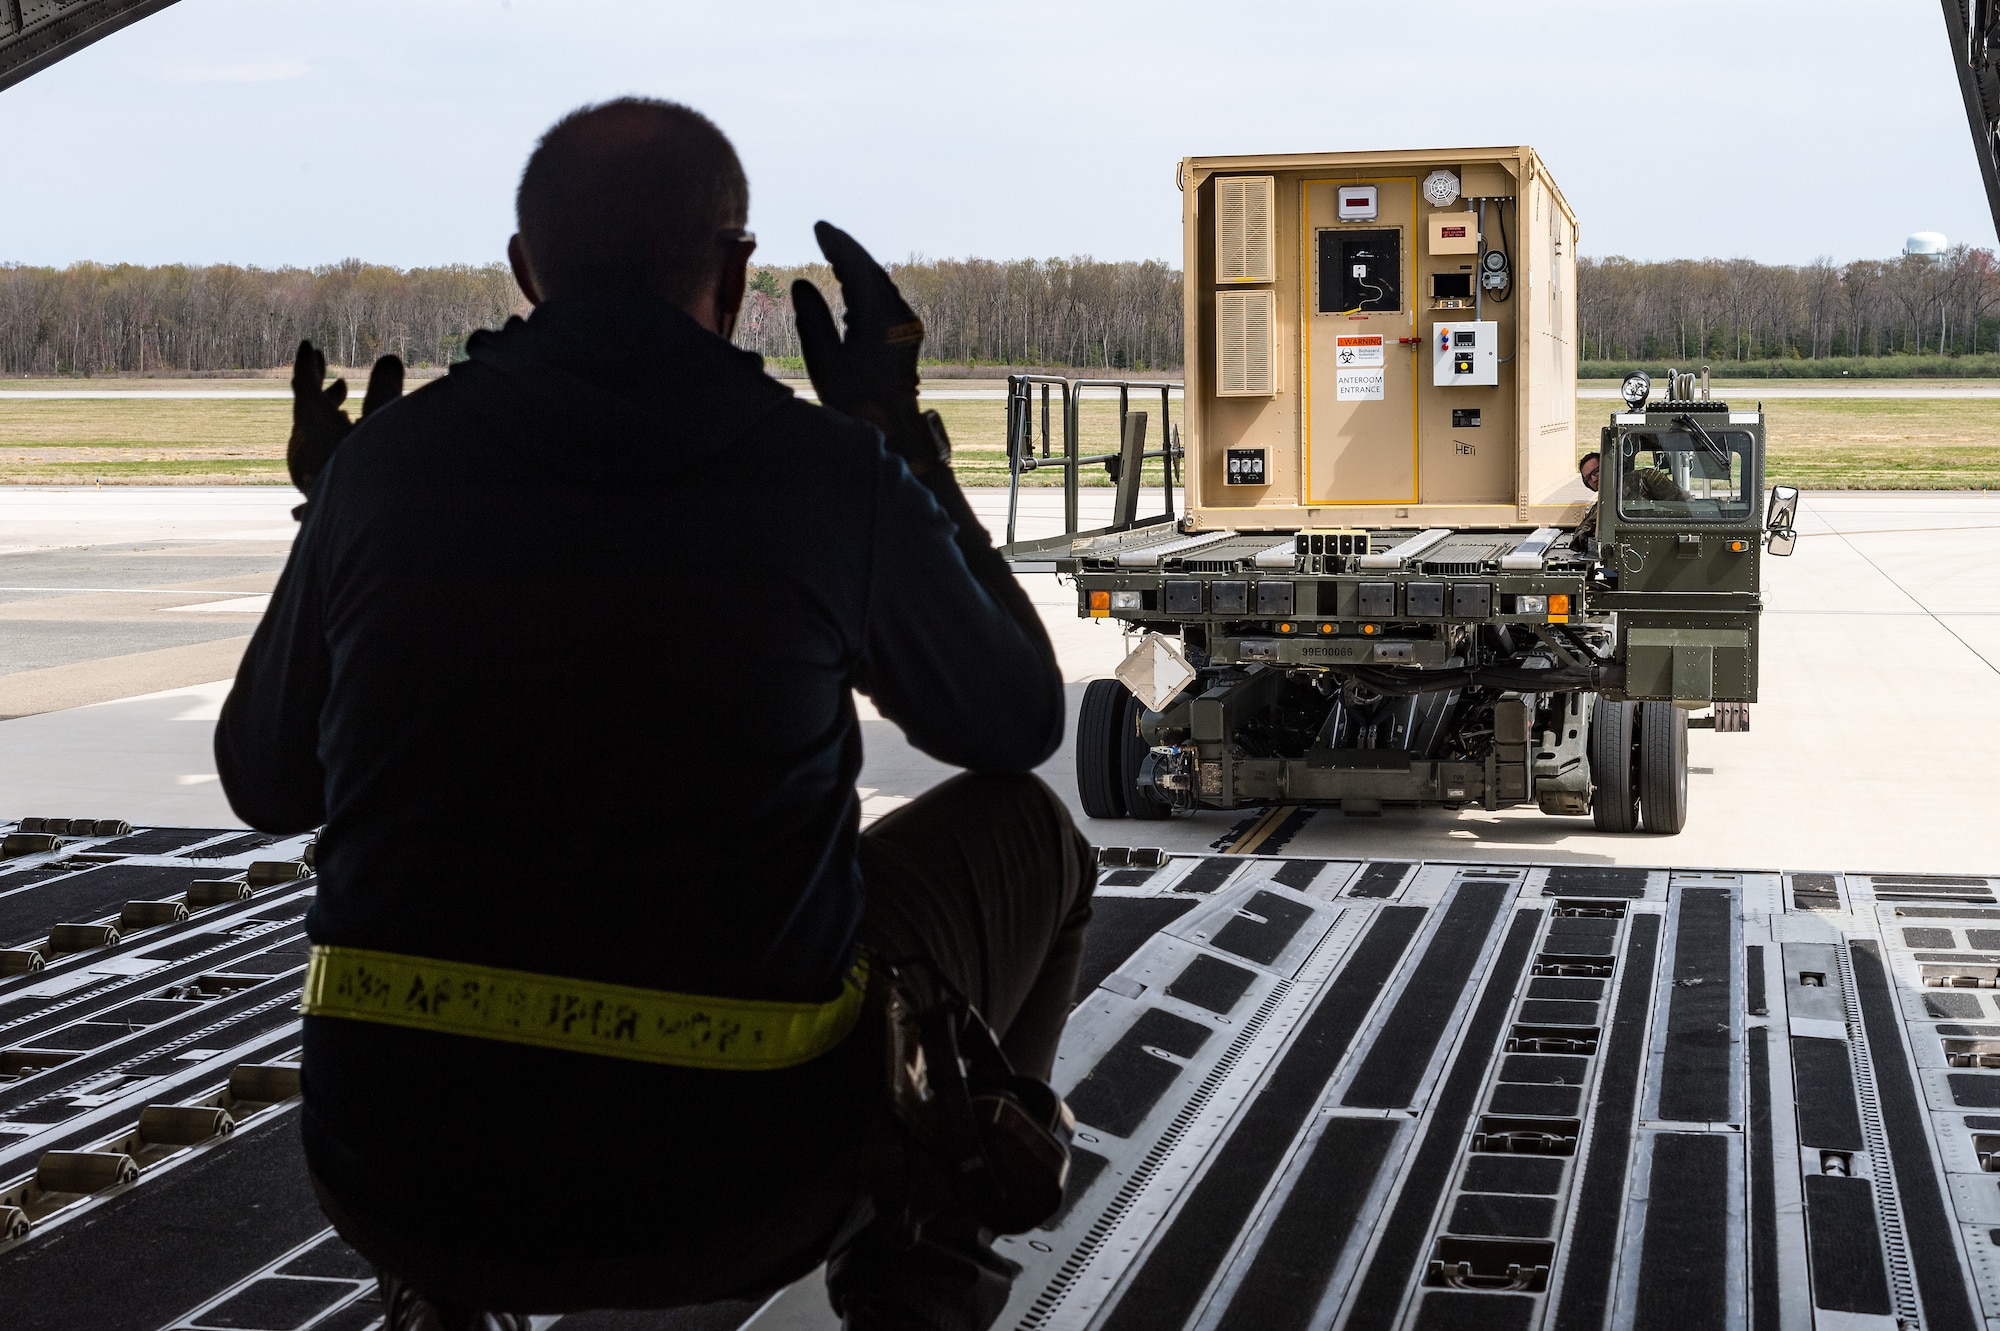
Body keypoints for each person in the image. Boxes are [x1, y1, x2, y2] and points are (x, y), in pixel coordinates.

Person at [215, 97, 1094, 1331]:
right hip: (753, 1181)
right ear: (735, 275)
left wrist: (337, 509)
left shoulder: (392, 465)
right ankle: (921, 1262)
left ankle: (440, 1298)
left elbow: (265, 782)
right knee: (1036, 833)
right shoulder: (821, 472)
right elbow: (1011, 721)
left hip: (402, 1179)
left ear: (525, 272)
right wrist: (899, 442)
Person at [1575, 446, 1687, 546]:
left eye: (1596, 471)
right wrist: (1585, 538)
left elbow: (1687, 504)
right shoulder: (1602, 504)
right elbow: (1581, 531)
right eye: (1589, 478)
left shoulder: (1644, 479)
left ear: (1608, 467)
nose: (1594, 479)